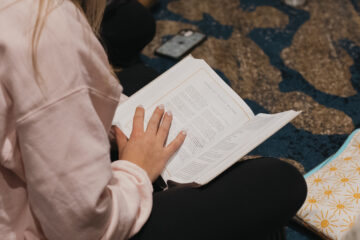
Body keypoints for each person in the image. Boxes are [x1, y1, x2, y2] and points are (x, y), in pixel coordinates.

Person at [0, 0, 307, 239]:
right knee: (279, 182)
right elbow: (81, 228)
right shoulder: (46, 31)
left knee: (140, 72)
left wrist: (103, 111)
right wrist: (137, 169)